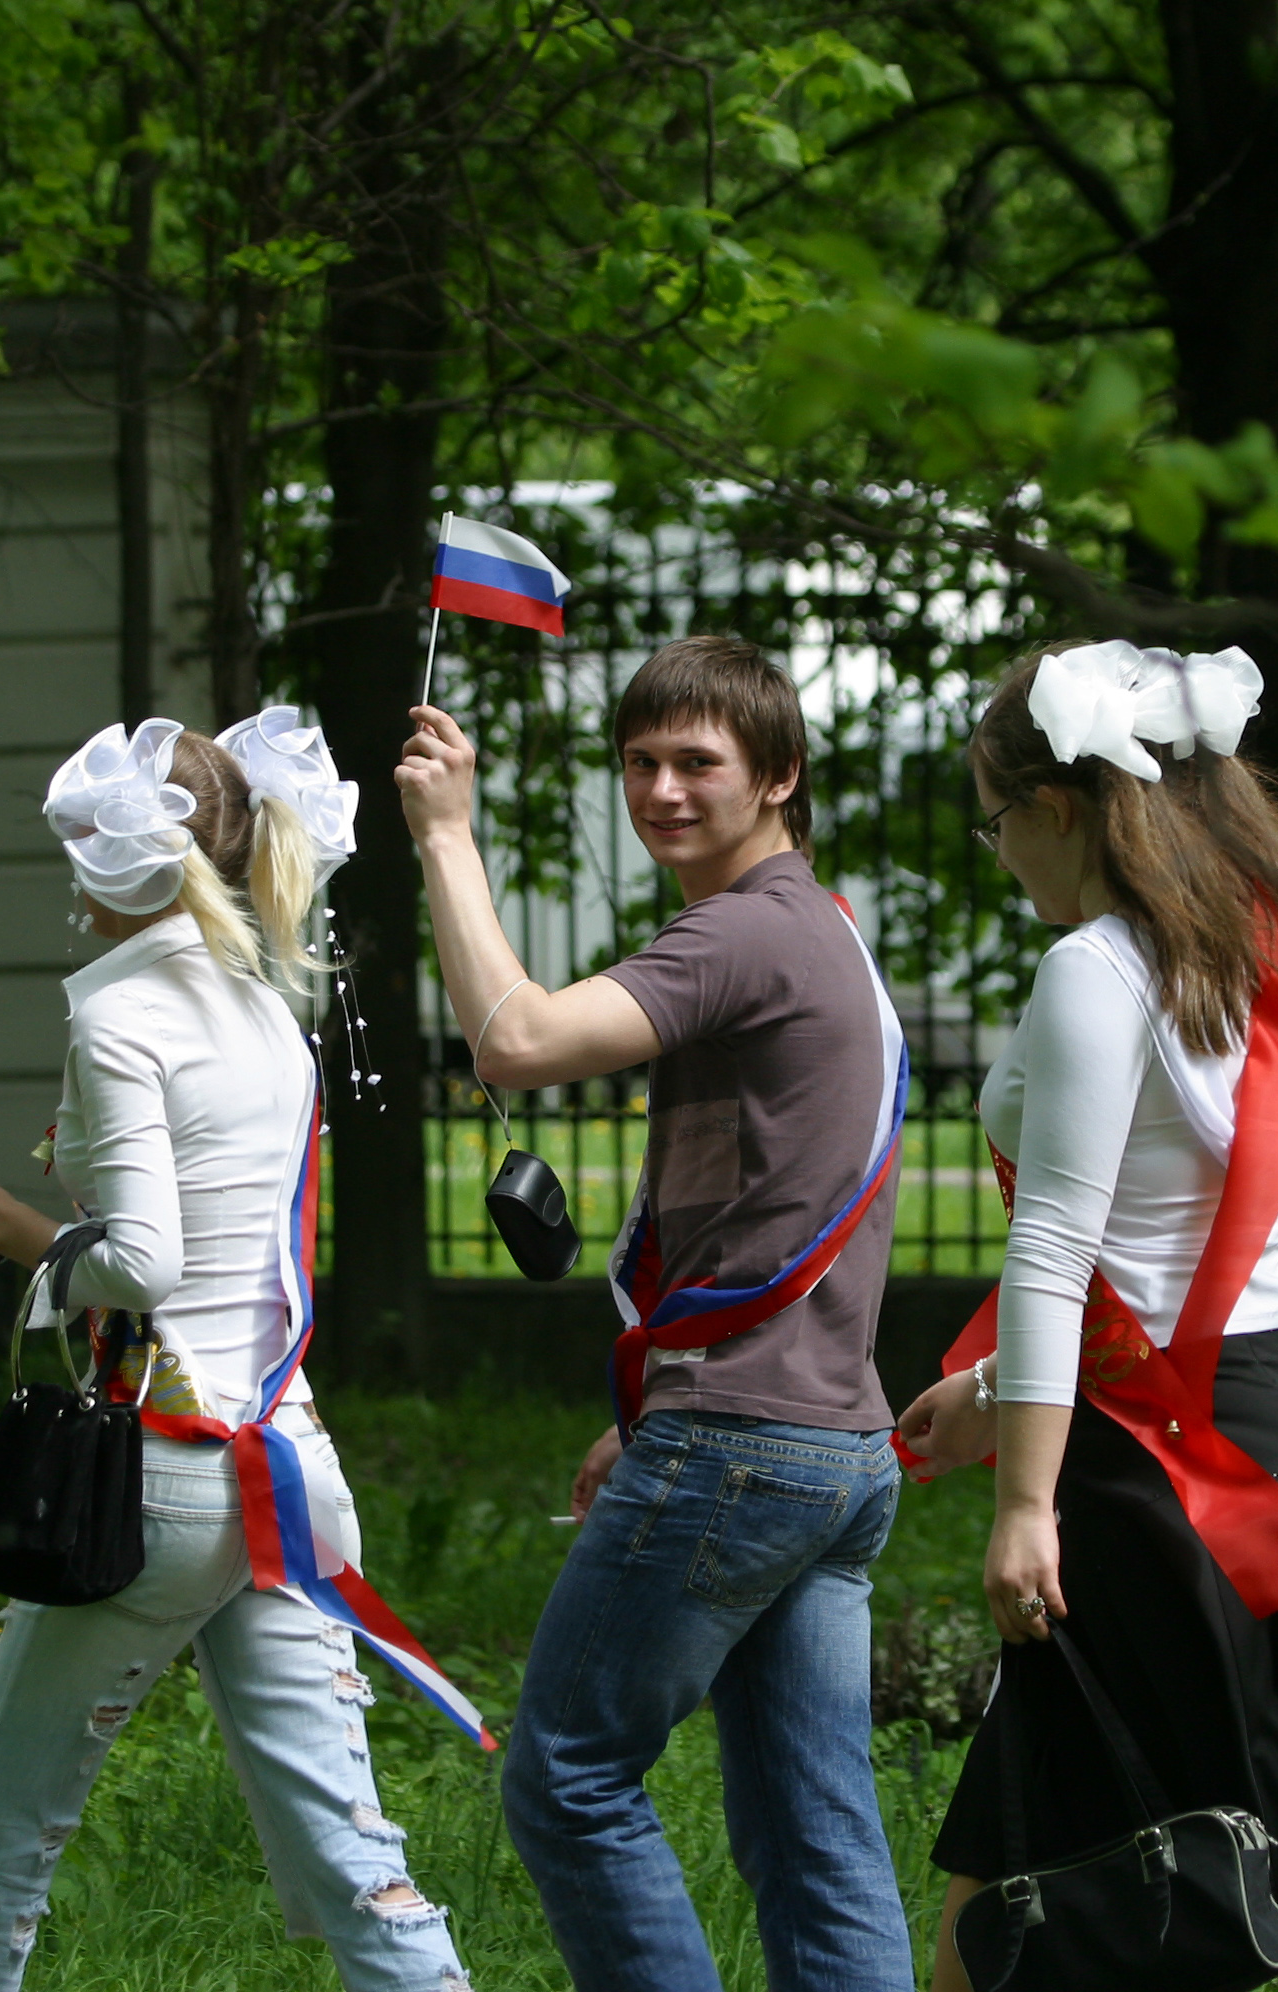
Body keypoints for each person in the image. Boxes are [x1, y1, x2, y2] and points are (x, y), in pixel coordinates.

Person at [0, 711, 473, 1992]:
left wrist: (16, 1232)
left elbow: (146, 1265)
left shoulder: (121, 1018)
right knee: (351, 1851)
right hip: (286, 1458)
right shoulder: (267, 1007)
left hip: (163, 1470)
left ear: (120, 868)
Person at [892, 639, 1278, 1992]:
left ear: (1060, 809)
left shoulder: (1099, 970)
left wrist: (1024, 1501)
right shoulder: (1266, 958)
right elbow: (1180, 1247)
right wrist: (1005, 1389)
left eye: (998, 820)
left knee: (1059, 1857)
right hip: (1266, 1413)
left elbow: (1063, 1241)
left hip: (1152, 1465)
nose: (1000, 852)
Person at [397, 637, 915, 1992]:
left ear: (780, 776)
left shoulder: (746, 930)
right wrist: (654, 1414)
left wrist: (448, 837)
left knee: (567, 1778)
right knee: (817, 1837)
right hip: (826, 1447)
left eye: (700, 763)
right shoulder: (818, 929)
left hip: (745, 1444)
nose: (663, 791)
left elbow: (515, 1040)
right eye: (640, 762)